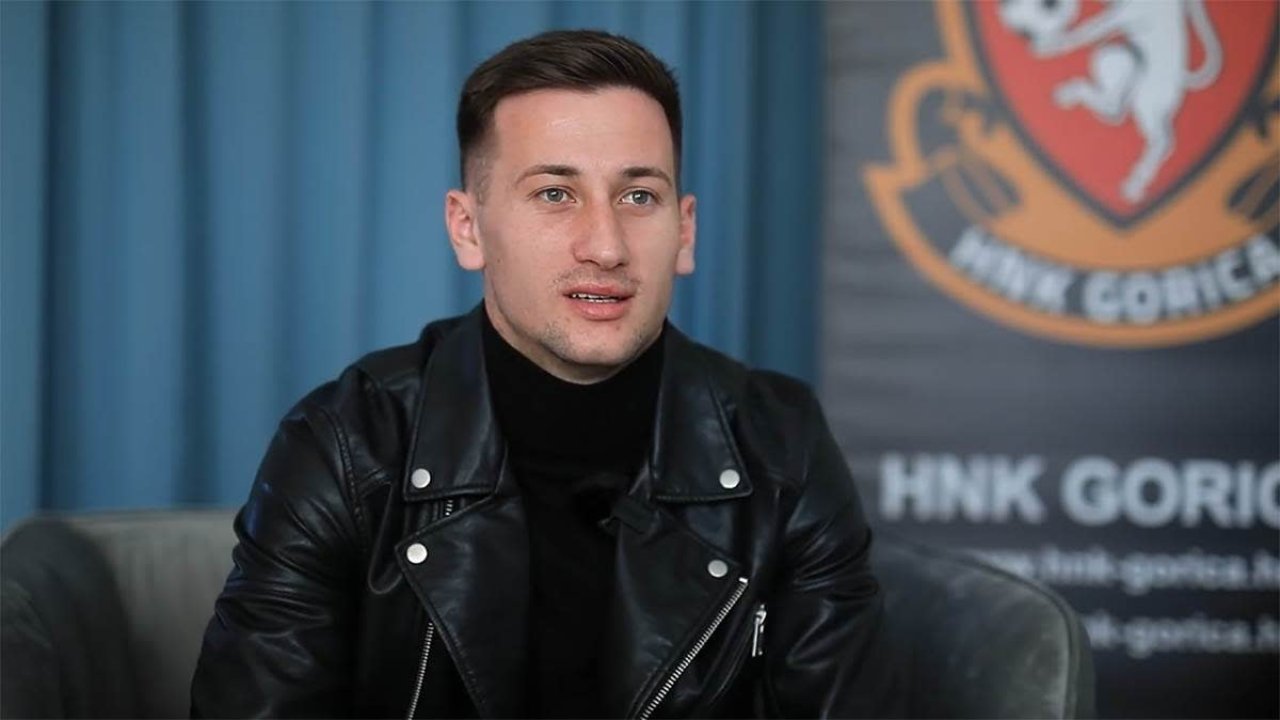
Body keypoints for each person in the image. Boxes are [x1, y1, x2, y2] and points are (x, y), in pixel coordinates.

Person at [191, 29, 895, 719]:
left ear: (685, 232)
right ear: (468, 228)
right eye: (556, 194)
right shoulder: (346, 445)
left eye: (638, 197)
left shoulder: (781, 444)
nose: (606, 246)